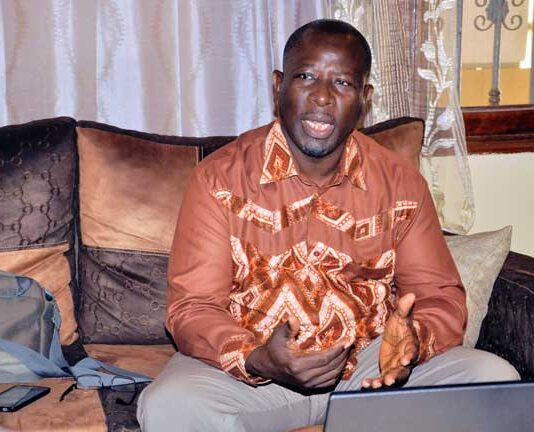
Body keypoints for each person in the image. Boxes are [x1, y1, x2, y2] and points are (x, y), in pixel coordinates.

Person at [137, 19, 518, 432]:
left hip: (370, 368)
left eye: (342, 82)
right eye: (306, 77)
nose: (322, 96)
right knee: (168, 407)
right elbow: (193, 307)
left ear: (364, 99)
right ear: (279, 86)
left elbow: (438, 296)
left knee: (493, 380)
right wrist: (257, 357)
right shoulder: (219, 180)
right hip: (256, 375)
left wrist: (413, 342)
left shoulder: (400, 183)